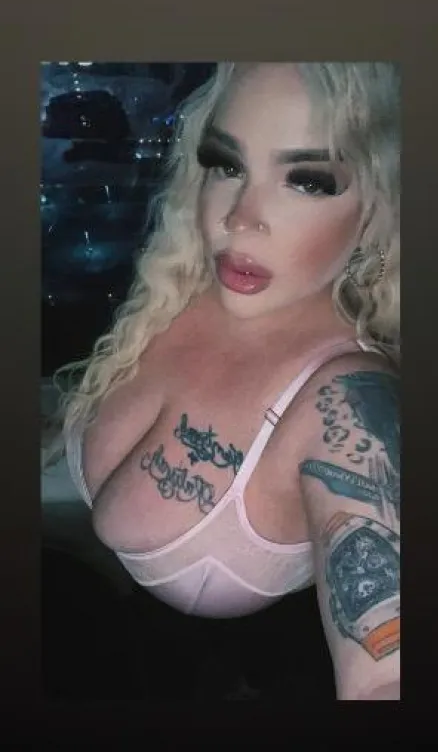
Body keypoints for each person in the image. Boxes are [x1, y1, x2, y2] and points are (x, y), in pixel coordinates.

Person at [48, 62, 400, 701]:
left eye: (306, 180)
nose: (240, 218)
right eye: (226, 164)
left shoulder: (350, 403)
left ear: (379, 205)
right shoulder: (179, 288)